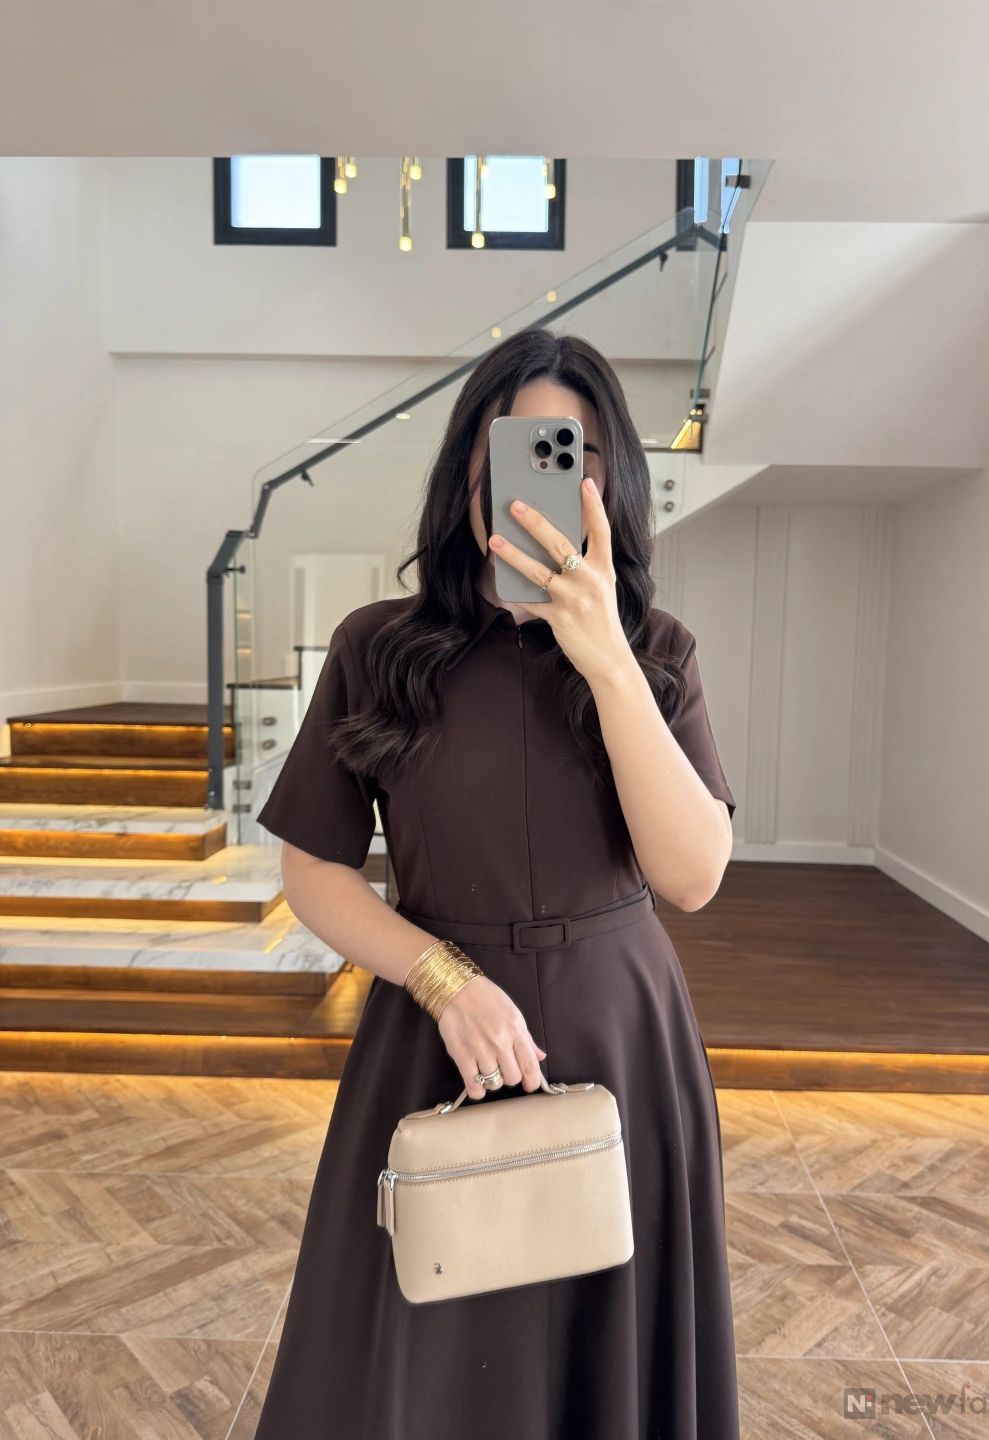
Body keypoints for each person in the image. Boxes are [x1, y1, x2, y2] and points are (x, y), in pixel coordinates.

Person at [251, 327, 740, 1440]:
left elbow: (693, 875)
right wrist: (442, 980)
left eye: (572, 453)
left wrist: (607, 658)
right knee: (412, 1359)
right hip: (436, 1042)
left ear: (609, 480)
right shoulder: (379, 648)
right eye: (512, 447)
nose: (538, 477)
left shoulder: (655, 650)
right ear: (468, 469)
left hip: (624, 1040)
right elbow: (314, 871)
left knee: (610, 1351)